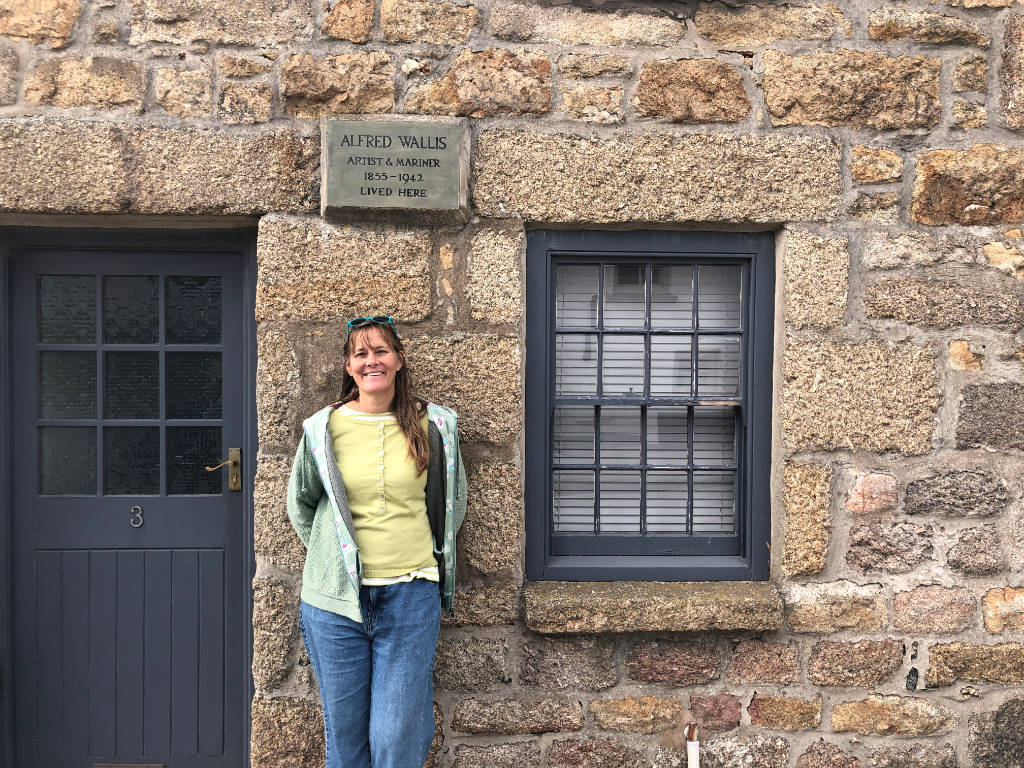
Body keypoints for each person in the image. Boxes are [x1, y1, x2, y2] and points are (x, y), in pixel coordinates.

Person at [287, 315, 466, 768]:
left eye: (381, 351)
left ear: (399, 360)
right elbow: (301, 505)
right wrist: (334, 556)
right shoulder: (323, 430)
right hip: (336, 606)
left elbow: (451, 503)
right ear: (349, 366)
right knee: (345, 742)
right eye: (361, 354)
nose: (372, 361)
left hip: (410, 595)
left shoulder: (434, 427)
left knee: (395, 737)